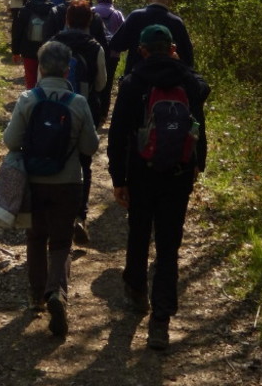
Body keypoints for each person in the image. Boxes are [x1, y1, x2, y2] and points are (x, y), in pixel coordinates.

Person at [107, 23, 209, 351]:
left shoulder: (133, 83)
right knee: (168, 244)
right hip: (178, 173)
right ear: (172, 49)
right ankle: (161, 320)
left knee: (139, 231)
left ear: (142, 51)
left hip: (141, 172)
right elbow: (198, 126)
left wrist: (118, 179)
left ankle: (136, 290)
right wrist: (198, 163)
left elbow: (118, 134)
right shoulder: (189, 81)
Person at [3, 40, 100, 337]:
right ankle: (56, 291)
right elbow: (90, 147)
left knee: (35, 236)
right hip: (68, 182)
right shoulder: (78, 103)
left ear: (41, 69)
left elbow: (10, 140)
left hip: (33, 182)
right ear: (67, 70)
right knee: (60, 241)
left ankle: (36, 295)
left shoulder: (28, 99)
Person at [49, 0, 107, 244]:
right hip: (85, 108)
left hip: (54, 109)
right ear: (89, 22)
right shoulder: (95, 47)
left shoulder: (54, 43)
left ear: (67, 19)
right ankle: (79, 216)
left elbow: (42, 79)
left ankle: (54, 214)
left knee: (54, 156)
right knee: (84, 163)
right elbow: (101, 84)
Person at [110, 0, 195, 73]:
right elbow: (188, 58)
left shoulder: (135, 16)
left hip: (137, 75)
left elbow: (116, 44)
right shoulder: (177, 22)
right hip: (167, 77)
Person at [12, 0, 54, 88]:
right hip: (47, 51)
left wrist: (15, 51)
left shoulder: (25, 9)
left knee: (30, 77)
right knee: (45, 79)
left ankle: (31, 96)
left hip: (28, 49)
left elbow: (17, 31)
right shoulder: (53, 10)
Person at [93, 0, 126, 125]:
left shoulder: (92, 11)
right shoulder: (117, 14)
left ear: (98, 0)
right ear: (111, 1)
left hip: (94, 52)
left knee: (94, 80)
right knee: (108, 81)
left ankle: (94, 109)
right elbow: (124, 31)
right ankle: (104, 113)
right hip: (113, 54)